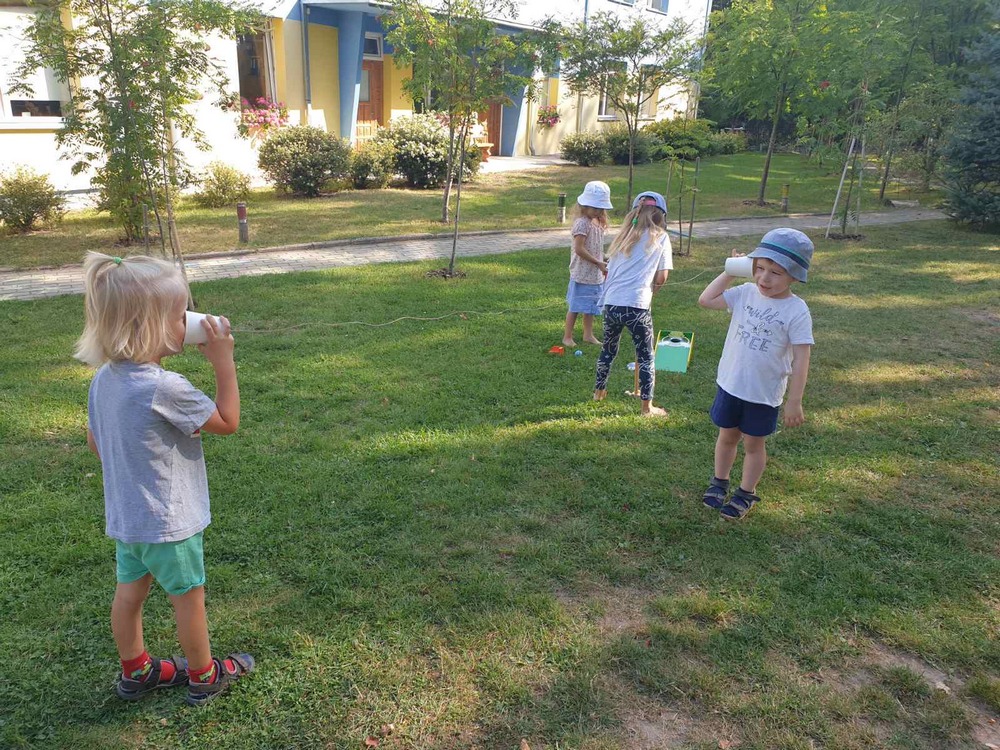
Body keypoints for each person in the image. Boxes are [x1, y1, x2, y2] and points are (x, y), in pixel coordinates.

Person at [76, 252, 254, 705]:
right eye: (180, 315)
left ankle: (136, 671)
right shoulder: (165, 386)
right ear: (151, 326)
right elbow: (228, 421)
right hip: (169, 523)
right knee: (189, 598)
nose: (187, 321)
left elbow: (97, 444)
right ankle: (204, 675)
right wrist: (223, 361)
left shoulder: (103, 379)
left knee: (129, 595)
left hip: (129, 520)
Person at [697, 228, 815, 520]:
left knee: (753, 443)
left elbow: (802, 358)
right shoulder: (745, 293)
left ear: (794, 276)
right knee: (727, 436)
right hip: (731, 384)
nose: (764, 278)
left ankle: (745, 492)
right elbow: (706, 300)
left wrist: (794, 401)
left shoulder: (796, 310)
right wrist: (730, 271)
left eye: (775, 272)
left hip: (763, 394)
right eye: (759, 268)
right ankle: (719, 481)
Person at [593, 191, 672, 417]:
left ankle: (599, 392)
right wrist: (652, 292)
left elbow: (610, 271)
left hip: (611, 304)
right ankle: (647, 408)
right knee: (645, 355)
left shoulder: (623, 237)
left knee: (608, 349)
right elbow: (662, 277)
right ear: (660, 216)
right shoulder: (661, 237)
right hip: (637, 306)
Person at [563, 180, 612, 347]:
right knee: (575, 306)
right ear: (584, 205)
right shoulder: (582, 223)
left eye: (600, 208)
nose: (598, 211)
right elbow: (579, 249)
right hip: (582, 273)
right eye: (595, 208)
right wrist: (598, 262)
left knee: (590, 305)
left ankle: (588, 334)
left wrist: (603, 258)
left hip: (594, 273)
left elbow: (595, 247)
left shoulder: (597, 222)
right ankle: (567, 337)